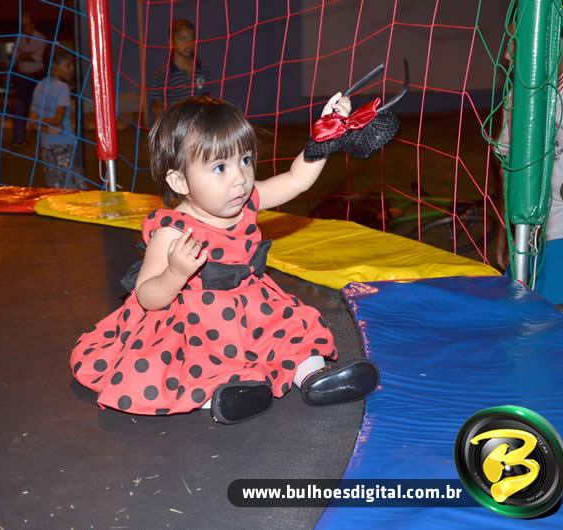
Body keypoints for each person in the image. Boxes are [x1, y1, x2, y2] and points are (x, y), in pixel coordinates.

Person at [69, 95, 380, 424]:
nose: (240, 178)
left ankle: (314, 377)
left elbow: (296, 180)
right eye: (220, 168)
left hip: (254, 306)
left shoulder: (246, 200)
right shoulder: (172, 232)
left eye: (244, 160)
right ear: (180, 181)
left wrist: (324, 137)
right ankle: (221, 396)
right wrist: (175, 273)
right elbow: (147, 296)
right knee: (194, 362)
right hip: (197, 321)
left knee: (289, 331)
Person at [494, 14, 563, 305]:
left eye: (516, 43)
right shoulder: (519, 96)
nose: (507, 55)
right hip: (528, 244)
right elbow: (507, 164)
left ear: (551, 44)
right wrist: (505, 228)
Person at [28, 49, 79, 188]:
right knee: (71, 184)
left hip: (46, 144)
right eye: (68, 65)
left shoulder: (40, 85)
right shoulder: (63, 87)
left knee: (54, 184)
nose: (72, 68)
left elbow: (31, 119)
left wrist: (43, 126)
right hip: (64, 144)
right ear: (55, 66)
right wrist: (50, 124)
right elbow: (58, 119)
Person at [149, 19, 211, 122]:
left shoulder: (203, 69)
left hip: (198, 125)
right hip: (175, 125)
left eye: (192, 38)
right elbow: (157, 106)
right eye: (182, 38)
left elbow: (206, 98)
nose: (188, 43)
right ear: (171, 42)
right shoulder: (162, 73)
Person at [11, 14, 46, 145]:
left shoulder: (41, 38)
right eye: (22, 25)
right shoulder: (19, 38)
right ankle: (20, 138)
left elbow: (37, 58)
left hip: (36, 77)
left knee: (38, 107)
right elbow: (14, 57)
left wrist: (22, 54)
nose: (23, 27)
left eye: (26, 24)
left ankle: (39, 137)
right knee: (21, 107)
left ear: (32, 24)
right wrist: (27, 55)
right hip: (21, 77)